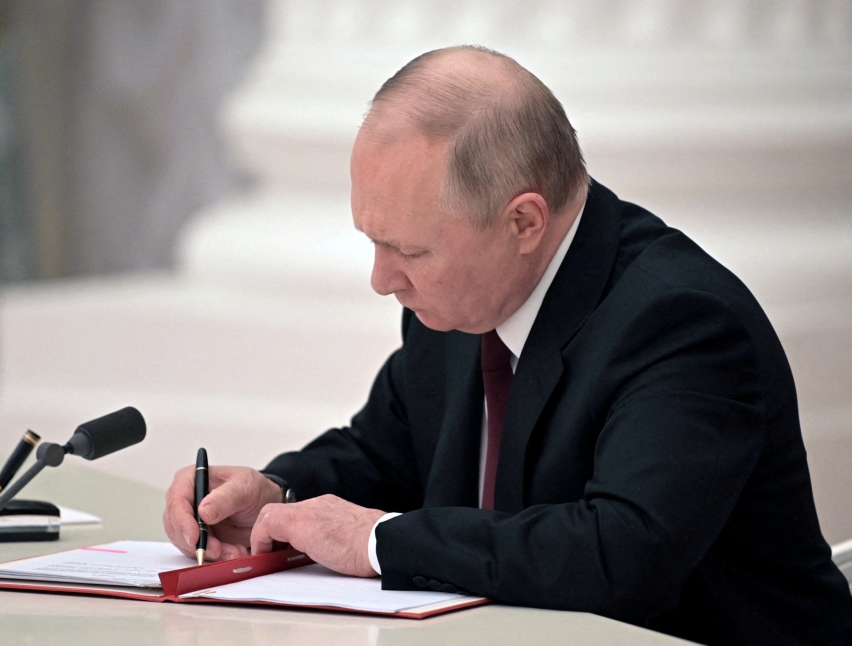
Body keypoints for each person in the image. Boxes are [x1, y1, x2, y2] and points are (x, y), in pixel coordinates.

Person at [163, 46, 852, 644]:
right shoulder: (462, 300)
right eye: (373, 242)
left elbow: (618, 557)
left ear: (524, 221)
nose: (381, 279)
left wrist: (376, 541)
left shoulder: (681, 322)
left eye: (409, 250)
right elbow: (384, 453)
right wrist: (276, 495)